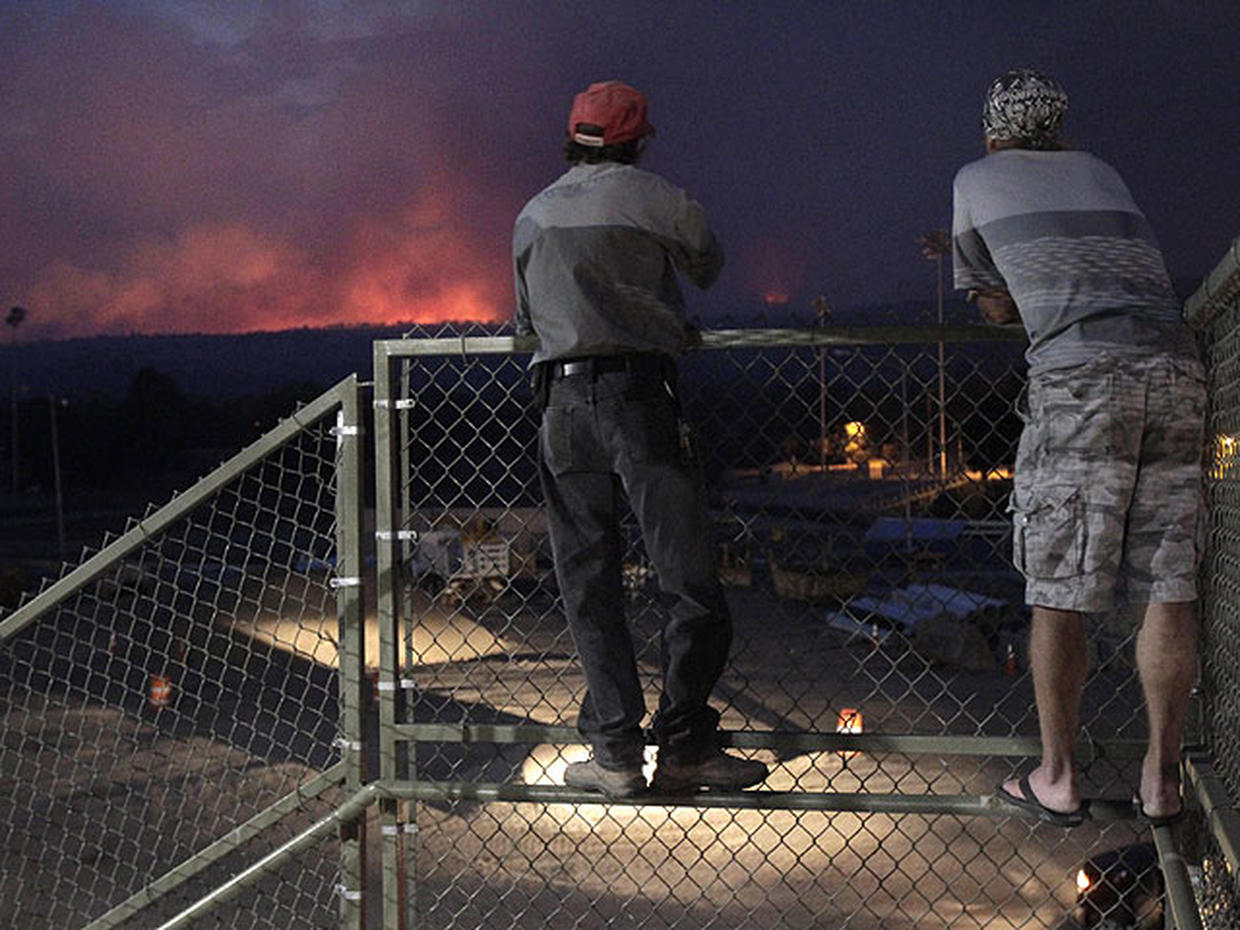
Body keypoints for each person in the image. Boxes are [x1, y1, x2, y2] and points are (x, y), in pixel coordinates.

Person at [952, 69, 1204, 826]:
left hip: (1083, 378)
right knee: (1169, 577)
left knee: (1057, 583)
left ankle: (1058, 777)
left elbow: (996, 302)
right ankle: (1161, 780)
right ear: (1059, 130)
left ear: (993, 133)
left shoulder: (977, 176)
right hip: (1177, 368)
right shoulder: (1103, 171)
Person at [513, 80, 768, 798]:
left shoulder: (532, 215)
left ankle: (615, 753)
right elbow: (708, 264)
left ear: (572, 136)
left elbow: (525, 318)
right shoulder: (657, 197)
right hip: (639, 397)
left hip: (560, 401)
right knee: (683, 572)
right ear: (638, 139)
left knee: (587, 580)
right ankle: (685, 742)